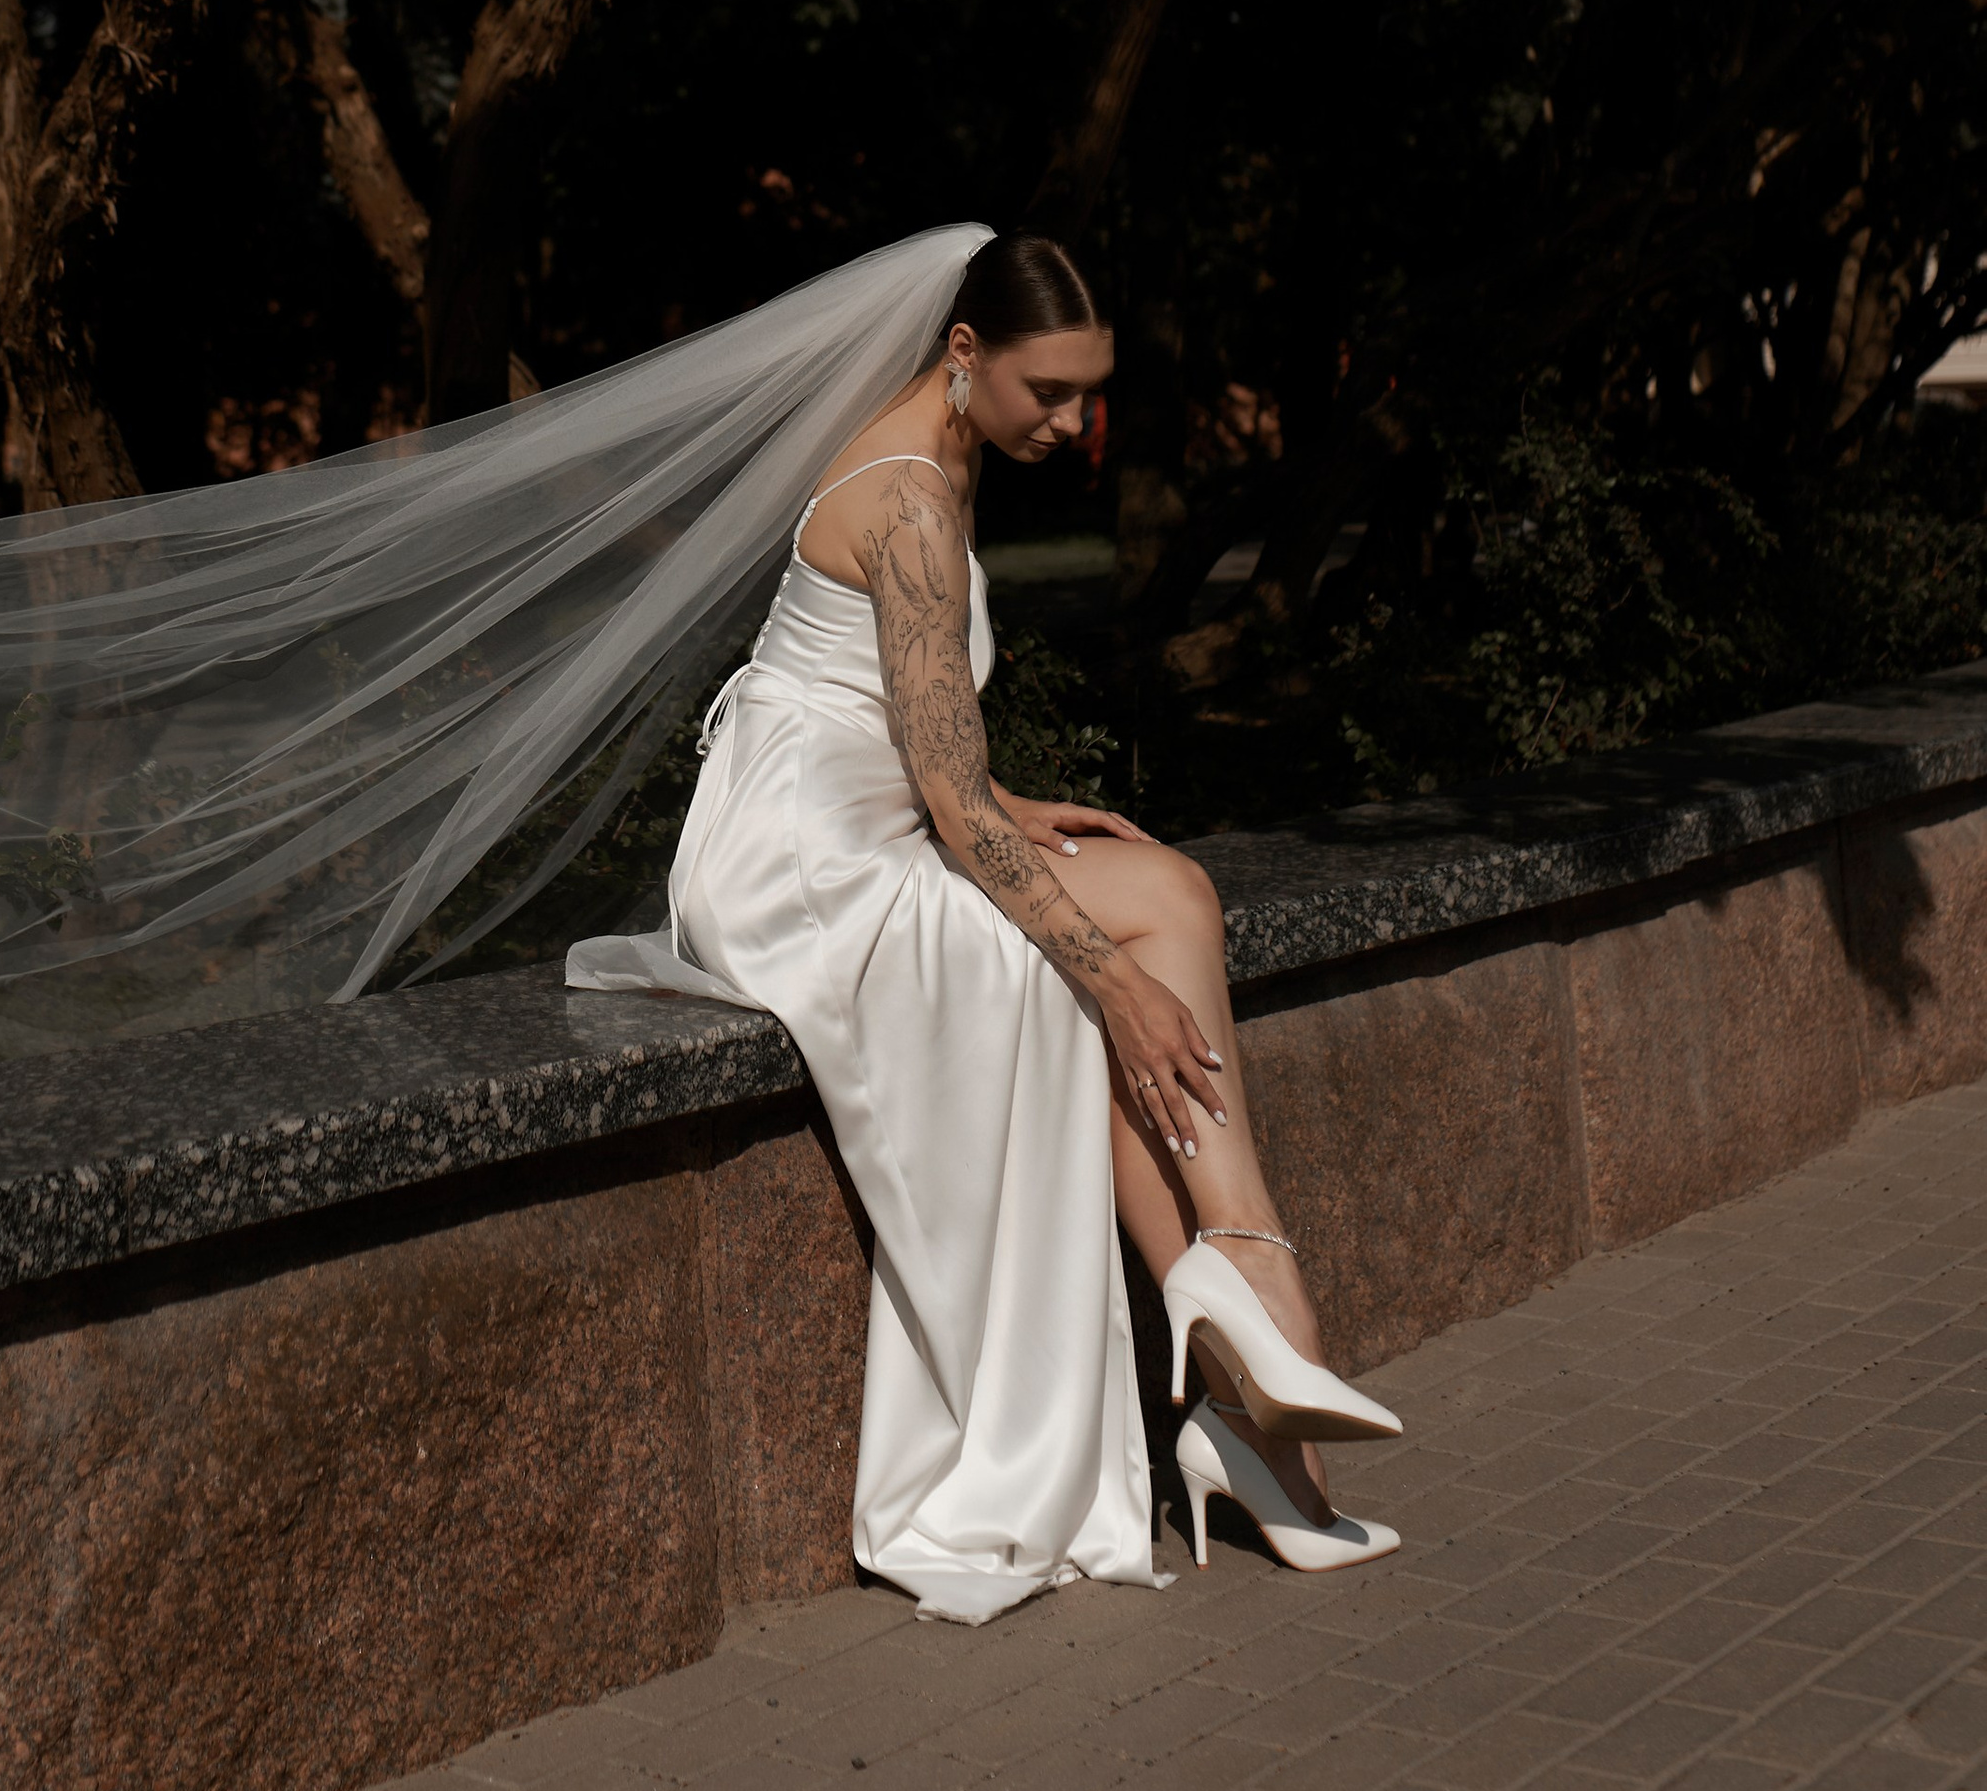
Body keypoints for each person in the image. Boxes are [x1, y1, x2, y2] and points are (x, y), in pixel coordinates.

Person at [572, 229, 1402, 1621]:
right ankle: (1252, 1319)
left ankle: (1234, 1296)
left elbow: (917, 731)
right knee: (1096, 975)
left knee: (1174, 892)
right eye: (1051, 393)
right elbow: (941, 806)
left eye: (1090, 394)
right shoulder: (904, 493)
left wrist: (1016, 801)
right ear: (964, 354)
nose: (1073, 423)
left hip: (873, 803)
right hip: (796, 859)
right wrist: (1110, 975)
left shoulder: (946, 447)